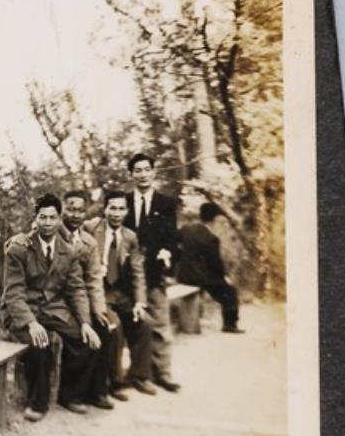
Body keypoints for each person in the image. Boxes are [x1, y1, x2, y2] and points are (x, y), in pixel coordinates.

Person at [0, 194, 101, 422]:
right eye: (42, 217)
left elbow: (76, 289)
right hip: (22, 310)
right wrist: (31, 323)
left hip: (54, 309)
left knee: (86, 341)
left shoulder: (69, 251)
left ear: (59, 219)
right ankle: (38, 402)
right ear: (35, 219)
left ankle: (70, 395)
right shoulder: (19, 248)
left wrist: (85, 323)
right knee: (40, 344)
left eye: (52, 217)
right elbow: (13, 292)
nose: (47, 223)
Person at [86, 190, 156, 397]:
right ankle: (115, 382)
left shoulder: (130, 236)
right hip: (97, 293)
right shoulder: (91, 228)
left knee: (145, 322)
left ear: (127, 211)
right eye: (112, 208)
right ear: (104, 209)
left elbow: (137, 272)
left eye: (121, 209)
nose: (117, 213)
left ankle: (139, 376)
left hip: (119, 294)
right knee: (114, 327)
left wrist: (140, 302)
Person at [124, 153, 180, 392]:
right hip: (127, 275)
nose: (143, 174)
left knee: (160, 324)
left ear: (153, 172)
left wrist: (166, 253)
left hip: (155, 274)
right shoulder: (123, 202)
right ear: (131, 174)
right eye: (138, 170)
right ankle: (133, 375)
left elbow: (172, 238)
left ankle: (163, 374)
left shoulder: (166, 203)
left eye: (147, 169)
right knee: (130, 324)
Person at [60, 189, 115, 409]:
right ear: (62, 209)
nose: (75, 215)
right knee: (80, 334)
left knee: (104, 327)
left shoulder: (89, 242)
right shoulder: (52, 233)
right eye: (71, 209)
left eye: (80, 211)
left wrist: (99, 309)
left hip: (80, 298)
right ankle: (70, 395)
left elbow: (93, 279)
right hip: (58, 300)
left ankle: (97, 391)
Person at [177, 202, 244, 333]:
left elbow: (174, 245)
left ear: (200, 215)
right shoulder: (211, 238)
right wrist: (224, 277)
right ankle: (230, 325)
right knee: (230, 292)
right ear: (214, 219)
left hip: (183, 275)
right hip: (201, 279)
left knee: (217, 285)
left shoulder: (186, 229)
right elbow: (215, 264)